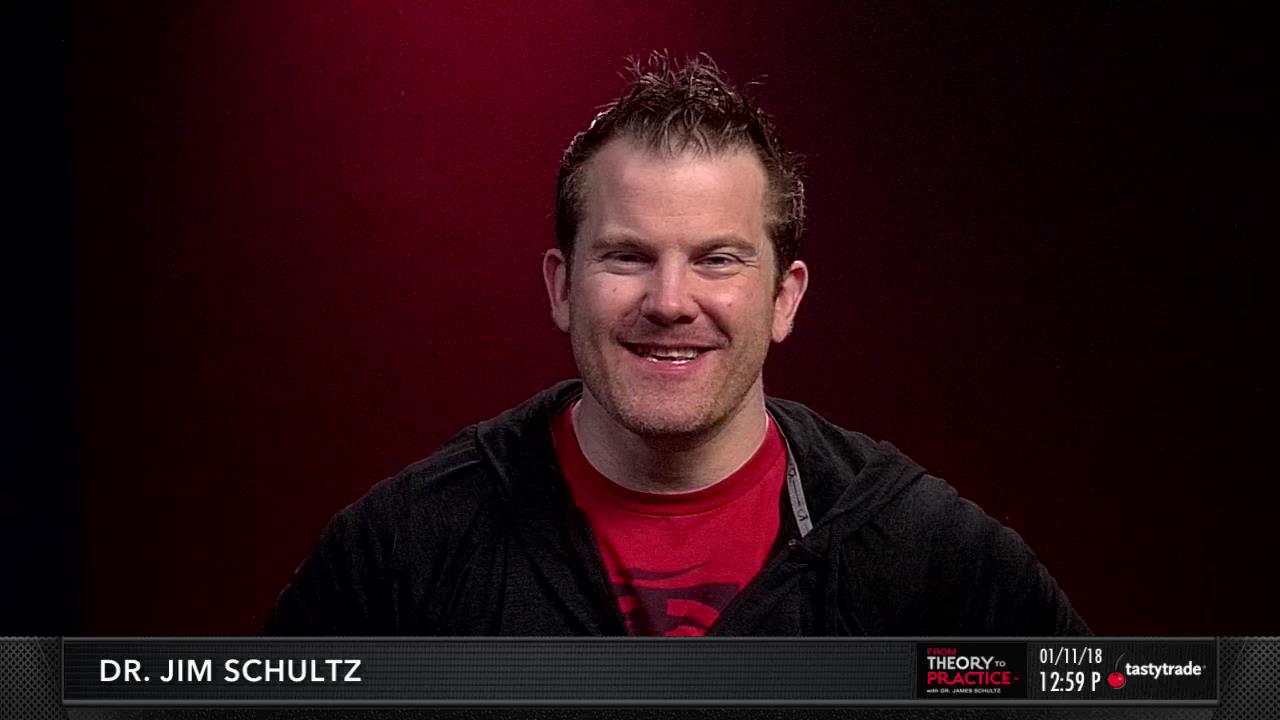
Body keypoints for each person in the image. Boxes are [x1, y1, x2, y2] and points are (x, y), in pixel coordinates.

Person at [267, 55, 1088, 636]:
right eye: (627, 257)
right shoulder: (405, 549)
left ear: (785, 297)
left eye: (717, 260)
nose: (669, 302)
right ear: (561, 286)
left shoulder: (928, 559)